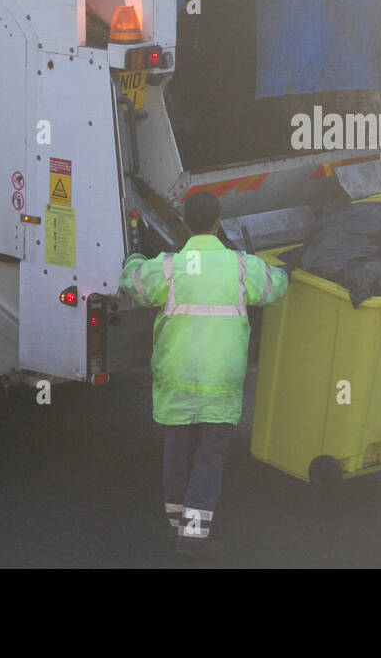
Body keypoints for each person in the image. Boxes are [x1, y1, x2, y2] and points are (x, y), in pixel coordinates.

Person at [120, 191, 289, 558]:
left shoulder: (168, 267)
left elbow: (132, 281)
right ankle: (193, 537)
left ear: (184, 223)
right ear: (218, 222)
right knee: (209, 459)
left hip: (177, 380)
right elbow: (276, 286)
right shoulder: (241, 267)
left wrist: (134, 257)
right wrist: (281, 267)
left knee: (177, 454)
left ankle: (176, 527)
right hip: (220, 382)